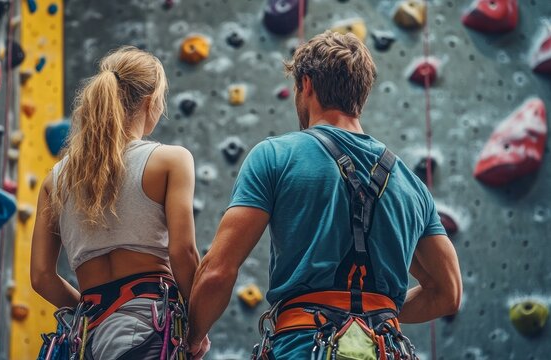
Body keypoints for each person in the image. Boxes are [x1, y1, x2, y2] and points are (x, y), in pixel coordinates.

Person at [186, 31, 462, 359]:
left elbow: (218, 271)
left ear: (307, 85)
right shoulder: (412, 185)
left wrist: (193, 337)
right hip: (386, 347)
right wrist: (372, 317)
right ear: (362, 94)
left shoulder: (275, 156)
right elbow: (448, 294)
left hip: (303, 345)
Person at [30, 46, 210, 360]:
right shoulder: (170, 160)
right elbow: (183, 252)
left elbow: (41, 277)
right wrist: (198, 327)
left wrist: (93, 311)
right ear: (150, 101)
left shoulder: (55, 179)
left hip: (91, 336)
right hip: (147, 325)